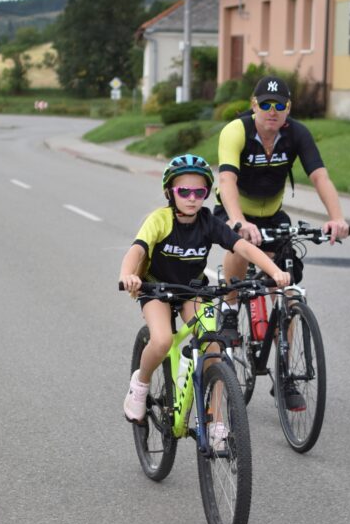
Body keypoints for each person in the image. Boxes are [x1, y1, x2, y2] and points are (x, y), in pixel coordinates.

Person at [119, 154, 290, 434]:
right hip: (156, 289)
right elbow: (137, 250)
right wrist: (128, 274)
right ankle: (140, 384)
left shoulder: (207, 221)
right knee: (162, 341)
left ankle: (215, 420)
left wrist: (274, 271)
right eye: (184, 191)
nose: (192, 198)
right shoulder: (160, 220)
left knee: (213, 348)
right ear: (170, 192)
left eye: (199, 192)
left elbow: (243, 247)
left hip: (192, 290)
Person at [214, 75, 350, 333]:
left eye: (279, 105)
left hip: (272, 213)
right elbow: (227, 178)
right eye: (266, 105)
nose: (272, 111)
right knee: (239, 243)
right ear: (254, 105)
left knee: (286, 289)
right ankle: (230, 306)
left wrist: (336, 217)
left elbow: (320, 177)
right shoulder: (236, 130)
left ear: (288, 108)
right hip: (234, 209)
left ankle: (284, 354)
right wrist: (238, 220)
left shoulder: (297, 133)